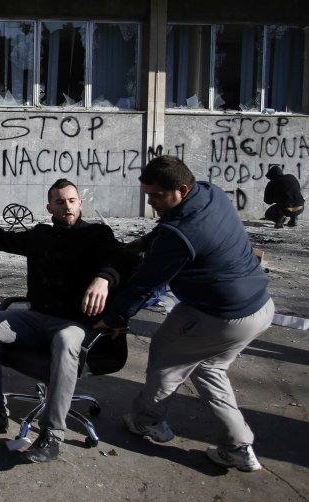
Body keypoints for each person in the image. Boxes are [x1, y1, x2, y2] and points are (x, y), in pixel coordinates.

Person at [95, 156, 274, 472]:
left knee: (166, 357)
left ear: (182, 188)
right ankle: (238, 446)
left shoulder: (182, 234)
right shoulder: (210, 193)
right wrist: (144, 242)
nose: (151, 202)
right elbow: (168, 230)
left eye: (158, 196)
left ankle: (146, 421)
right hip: (259, 308)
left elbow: (145, 285)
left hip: (218, 315)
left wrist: (114, 318)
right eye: (148, 194)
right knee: (210, 369)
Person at [0, 179, 125, 463]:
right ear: (49, 207)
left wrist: (103, 279)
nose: (67, 207)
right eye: (60, 202)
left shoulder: (98, 235)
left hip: (76, 324)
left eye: (72, 201)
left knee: (64, 339)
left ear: (80, 204)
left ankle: (52, 434)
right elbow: (3, 241)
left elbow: (118, 261)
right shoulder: (40, 235)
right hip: (37, 318)